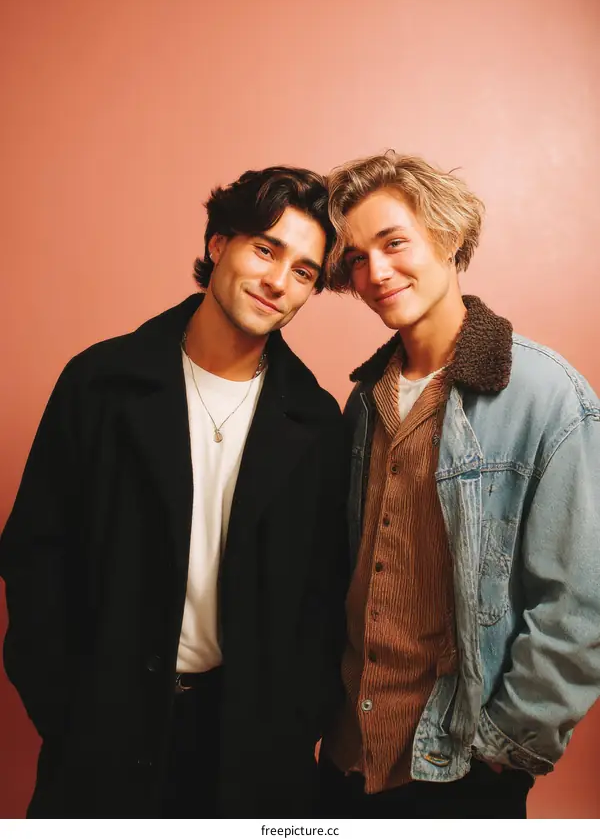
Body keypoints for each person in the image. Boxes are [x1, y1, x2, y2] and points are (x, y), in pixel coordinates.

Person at [0, 165, 348, 818]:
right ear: (219, 245)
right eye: (265, 248)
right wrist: (68, 710)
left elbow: (323, 597)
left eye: (303, 271)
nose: (278, 280)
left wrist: (295, 721)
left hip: (251, 749)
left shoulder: (317, 421)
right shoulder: (100, 384)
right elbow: (35, 555)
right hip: (104, 730)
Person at [317, 151, 600, 818]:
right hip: (347, 758)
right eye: (356, 258)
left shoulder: (545, 394)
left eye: (393, 243)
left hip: (463, 768)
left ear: (447, 238)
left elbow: (578, 602)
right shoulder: (363, 403)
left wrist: (506, 746)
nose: (376, 273)